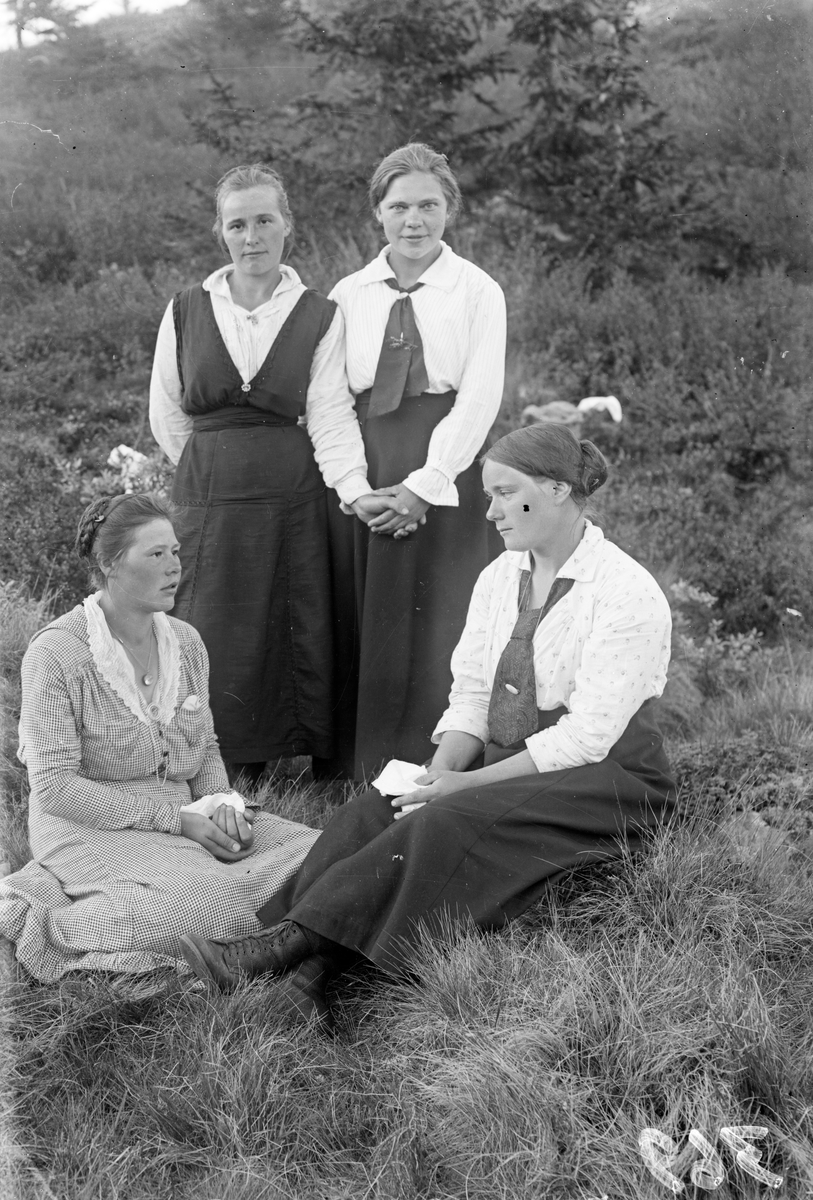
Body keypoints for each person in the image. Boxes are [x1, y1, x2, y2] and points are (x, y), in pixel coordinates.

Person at [179, 425, 676, 1028]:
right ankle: (305, 969)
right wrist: (437, 775)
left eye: (502, 493)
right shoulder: (499, 579)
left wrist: (460, 790)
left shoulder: (626, 591)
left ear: (556, 490)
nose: (488, 511)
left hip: (605, 778)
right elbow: (471, 695)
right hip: (512, 757)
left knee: (445, 819)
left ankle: (288, 954)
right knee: (383, 805)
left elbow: (587, 738)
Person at [0, 494, 320, 983]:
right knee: (204, 904)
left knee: (326, 852)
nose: (175, 567)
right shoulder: (57, 655)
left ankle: (263, 939)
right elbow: (56, 788)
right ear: (109, 565)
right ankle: (50, 921)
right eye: (155, 555)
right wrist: (176, 821)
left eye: (175, 551)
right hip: (90, 829)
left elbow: (206, 748)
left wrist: (223, 804)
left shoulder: (186, 642)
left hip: (187, 816)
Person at [149, 164, 389, 782]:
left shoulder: (319, 313)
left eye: (263, 220)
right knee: (208, 624)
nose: (251, 235)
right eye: (237, 224)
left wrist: (356, 492)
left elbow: (332, 416)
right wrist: (209, 473)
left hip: (292, 496)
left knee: (290, 625)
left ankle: (277, 760)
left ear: (287, 227)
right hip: (206, 497)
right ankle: (215, 765)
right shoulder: (184, 310)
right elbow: (168, 417)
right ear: (220, 232)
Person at [322, 143, 507, 780]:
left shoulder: (478, 291)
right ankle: (359, 765)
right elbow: (329, 400)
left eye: (429, 205)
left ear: (449, 209)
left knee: (445, 617)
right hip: (369, 467)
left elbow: (481, 396)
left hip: (447, 466)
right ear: (378, 212)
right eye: (399, 206)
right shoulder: (348, 295)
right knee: (368, 613)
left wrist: (425, 488)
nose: (414, 220)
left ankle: (438, 763)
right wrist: (355, 487)